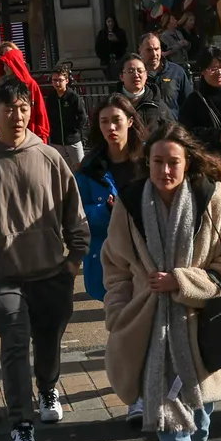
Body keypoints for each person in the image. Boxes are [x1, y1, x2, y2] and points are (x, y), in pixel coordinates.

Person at [0, 80, 90, 441]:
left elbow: (73, 214)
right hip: (2, 277)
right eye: (9, 108)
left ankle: (48, 387)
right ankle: (20, 424)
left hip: (50, 272)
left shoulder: (48, 157)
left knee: (48, 341)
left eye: (24, 107)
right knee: (14, 345)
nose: (18, 115)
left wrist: (74, 261)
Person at [102, 121, 221, 441]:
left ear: (187, 163)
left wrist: (181, 281)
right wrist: (119, 310)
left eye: (173, 162)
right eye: (157, 162)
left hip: (201, 332)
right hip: (151, 330)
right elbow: (115, 266)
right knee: (174, 432)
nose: (165, 170)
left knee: (201, 425)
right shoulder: (130, 203)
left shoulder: (211, 201)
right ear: (147, 161)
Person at [76, 95, 149, 307]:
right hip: (110, 261)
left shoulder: (151, 159)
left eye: (116, 120)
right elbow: (78, 216)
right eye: (104, 121)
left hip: (149, 256)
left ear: (130, 121)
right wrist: (107, 210)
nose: (111, 127)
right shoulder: (89, 168)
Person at [0, 42, 52, 142]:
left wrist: (41, 137)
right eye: (3, 64)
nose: (5, 68)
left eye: (7, 64)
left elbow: (40, 113)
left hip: (31, 135)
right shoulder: (3, 84)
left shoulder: (31, 84)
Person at [140, 32, 195, 114]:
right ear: (140, 50)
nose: (154, 54)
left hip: (173, 124)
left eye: (156, 49)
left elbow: (189, 104)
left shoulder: (176, 72)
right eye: (149, 50)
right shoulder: (136, 75)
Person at [46, 65, 88, 165]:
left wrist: (74, 130)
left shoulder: (73, 97)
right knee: (60, 168)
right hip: (56, 140)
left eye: (60, 80)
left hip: (73, 140)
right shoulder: (50, 98)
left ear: (66, 80)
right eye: (54, 80)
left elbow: (83, 117)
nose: (57, 83)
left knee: (79, 167)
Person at [118, 53, 174, 128]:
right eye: (131, 71)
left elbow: (171, 132)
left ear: (146, 75)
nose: (136, 75)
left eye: (140, 71)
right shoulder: (113, 104)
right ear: (121, 76)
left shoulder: (157, 105)